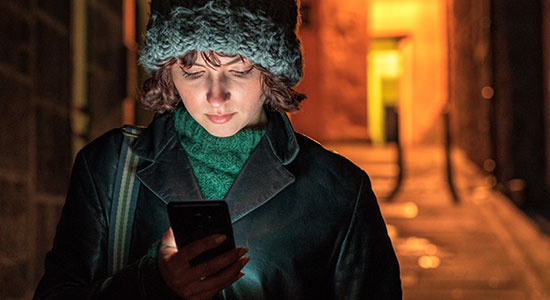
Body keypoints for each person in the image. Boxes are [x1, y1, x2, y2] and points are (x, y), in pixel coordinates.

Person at [34, 0, 402, 299]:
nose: (216, 96)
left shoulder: (339, 189)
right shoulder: (109, 167)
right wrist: (151, 283)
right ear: (168, 73)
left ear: (271, 71)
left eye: (239, 69)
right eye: (192, 72)